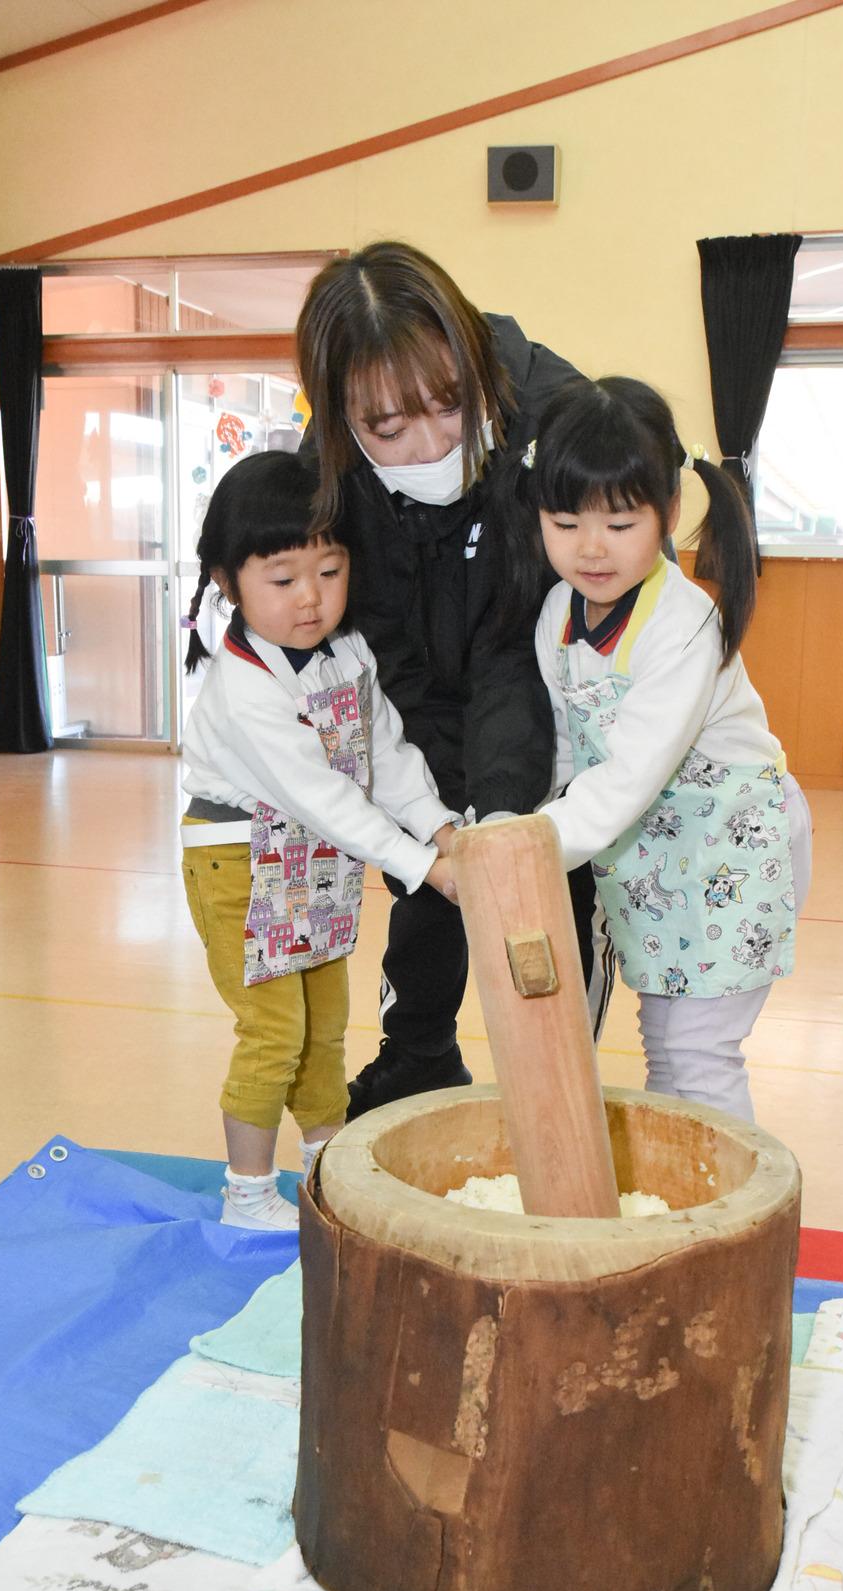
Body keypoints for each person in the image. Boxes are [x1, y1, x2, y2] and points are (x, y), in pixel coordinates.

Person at [296, 241, 614, 1120]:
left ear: (474, 363)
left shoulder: (558, 417)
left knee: (548, 881)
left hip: (555, 693)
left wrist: (507, 811)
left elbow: (544, 638)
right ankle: (419, 1052)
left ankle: (557, 1084)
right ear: (345, 419)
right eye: (391, 428)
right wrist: (440, 820)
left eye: (449, 405)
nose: (433, 444)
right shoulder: (332, 470)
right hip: (418, 693)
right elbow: (375, 642)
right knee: (431, 877)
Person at [503, 376, 813, 1123]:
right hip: (653, 866)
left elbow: (626, 778)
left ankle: (731, 1229)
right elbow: (570, 763)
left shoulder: (684, 622)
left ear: (669, 512)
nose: (591, 547)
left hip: (732, 856)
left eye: (619, 521)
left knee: (701, 1056)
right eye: (566, 520)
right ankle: (686, 1213)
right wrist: (521, 821)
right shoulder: (557, 613)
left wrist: (518, 851)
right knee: (667, 1048)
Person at [180, 452, 460, 1228]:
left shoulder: (349, 650)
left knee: (326, 1026)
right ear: (228, 580)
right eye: (282, 579)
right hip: (240, 857)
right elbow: (322, 792)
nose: (310, 598)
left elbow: (386, 754)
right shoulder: (243, 686)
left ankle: (326, 1170)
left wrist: (439, 825)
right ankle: (245, 1196)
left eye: (330, 571)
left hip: (313, 858)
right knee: (274, 1031)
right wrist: (420, 865)